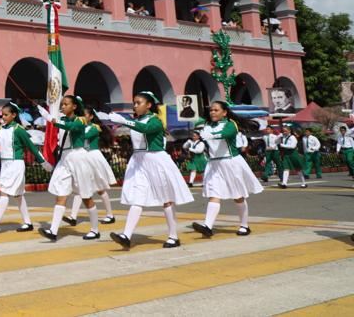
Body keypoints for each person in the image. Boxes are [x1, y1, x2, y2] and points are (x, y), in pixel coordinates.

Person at [106, 91, 194, 249]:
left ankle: (173, 236)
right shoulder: (138, 120)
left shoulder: (155, 121)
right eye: (134, 103)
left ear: (149, 105)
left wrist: (124, 121)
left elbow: (145, 129)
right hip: (139, 162)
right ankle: (126, 235)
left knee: (166, 199)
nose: (135, 105)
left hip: (156, 161)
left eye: (138, 102)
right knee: (137, 197)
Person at [0, 102, 49, 233]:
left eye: (6, 115)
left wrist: (43, 162)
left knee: (4, 192)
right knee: (18, 195)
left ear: (14, 115)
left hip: (16, 164)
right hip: (5, 164)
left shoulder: (19, 130)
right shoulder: (0, 129)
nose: (3, 117)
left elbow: (31, 146)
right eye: (2, 115)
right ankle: (28, 223)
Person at [192, 100, 264, 238]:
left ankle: (244, 225)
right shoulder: (207, 125)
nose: (212, 112)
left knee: (237, 196)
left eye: (216, 110)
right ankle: (208, 226)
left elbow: (226, 134)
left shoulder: (231, 124)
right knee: (214, 194)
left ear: (224, 112)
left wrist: (210, 135)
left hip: (230, 162)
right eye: (211, 110)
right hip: (214, 164)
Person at [37, 96, 101, 241]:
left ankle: (95, 229)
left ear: (74, 107)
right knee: (61, 194)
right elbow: (60, 123)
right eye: (62, 104)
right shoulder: (63, 120)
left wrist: (50, 118)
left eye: (66, 104)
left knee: (86, 196)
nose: (63, 107)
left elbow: (71, 127)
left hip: (78, 157)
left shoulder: (81, 120)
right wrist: (48, 114)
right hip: (65, 159)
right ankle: (53, 231)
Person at [63, 106, 117, 227]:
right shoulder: (81, 126)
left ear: (91, 117)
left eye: (85, 115)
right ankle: (73, 216)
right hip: (84, 157)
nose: (82, 117)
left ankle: (110, 214)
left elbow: (83, 137)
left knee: (100, 188)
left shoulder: (94, 127)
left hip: (93, 157)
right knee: (80, 187)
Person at [278, 124, 307, 189]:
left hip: (293, 154)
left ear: (289, 131)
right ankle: (284, 183)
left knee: (298, 169)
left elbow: (292, 146)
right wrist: (278, 136)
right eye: (283, 131)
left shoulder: (292, 137)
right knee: (286, 168)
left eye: (285, 131)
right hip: (286, 155)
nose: (284, 132)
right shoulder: (283, 137)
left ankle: (303, 183)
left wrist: (283, 145)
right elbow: (276, 142)